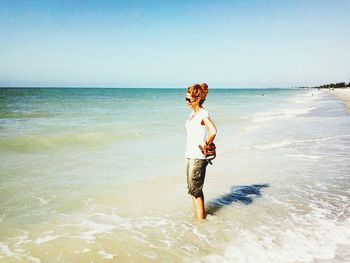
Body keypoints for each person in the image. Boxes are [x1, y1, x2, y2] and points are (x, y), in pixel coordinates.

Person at [185, 83, 217, 221]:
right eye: (186, 99)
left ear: (197, 99)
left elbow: (214, 131)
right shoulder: (193, 113)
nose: (187, 102)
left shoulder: (203, 114)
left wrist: (207, 144)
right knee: (192, 189)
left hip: (198, 157)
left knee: (196, 190)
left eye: (189, 100)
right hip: (190, 155)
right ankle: (199, 217)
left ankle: (201, 221)